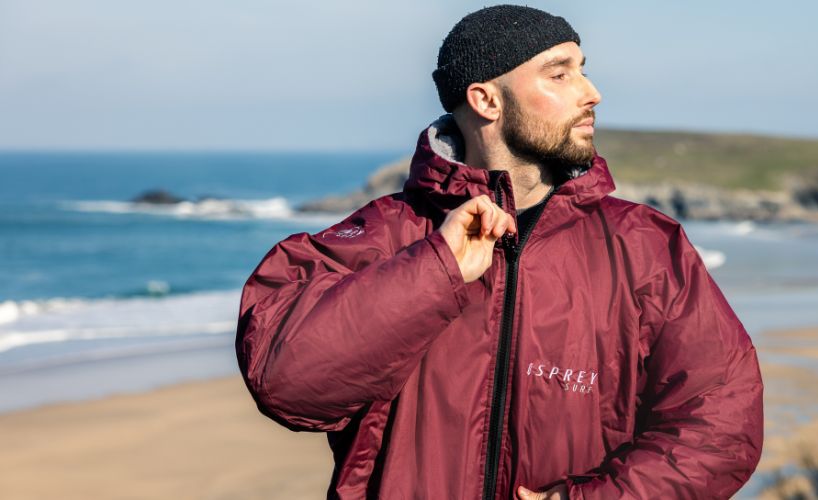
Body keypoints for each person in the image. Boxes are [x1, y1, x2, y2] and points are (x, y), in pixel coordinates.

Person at [235, 4, 763, 499]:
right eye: (560, 74)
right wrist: (436, 268)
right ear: (486, 100)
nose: (592, 92)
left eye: (583, 70)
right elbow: (290, 385)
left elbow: (721, 418)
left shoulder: (645, 246)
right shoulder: (383, 235)